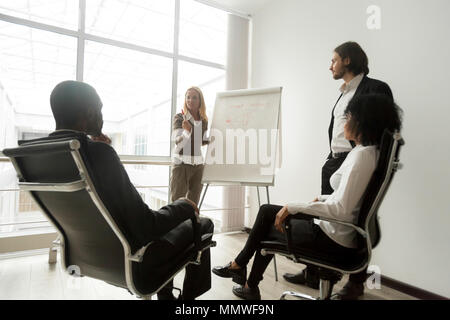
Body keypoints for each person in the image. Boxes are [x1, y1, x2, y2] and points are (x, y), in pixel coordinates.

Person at [35, 80, 214, 300]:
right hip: (135, 258)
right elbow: (148, 225)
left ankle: (166, 296)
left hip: (87, 255)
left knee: (180, 216)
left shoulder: (44, 155)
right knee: (202, 223)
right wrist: (184, 205)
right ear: (89, 113)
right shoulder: (99, 154)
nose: (101, 115)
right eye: (100, 109)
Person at [212, 94, 402, 300]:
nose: (343, 123)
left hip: (333, 240)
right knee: (269, 214)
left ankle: (242, 272)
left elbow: (341, 210)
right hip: (336, 233)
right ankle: (244, 276)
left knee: (268, 220)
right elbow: (347, 198)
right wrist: (320, 199)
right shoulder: (365, 152)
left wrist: (294, 207)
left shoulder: (362, 157)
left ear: (363, 121)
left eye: (347, 117)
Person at [283, 41, 394, 300]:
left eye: (333, 60)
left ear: (347, 60)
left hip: (358, 159)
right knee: (323, 221)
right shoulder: (343, 92)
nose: (329, 65)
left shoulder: (375, 88)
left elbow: (384, 126)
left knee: (359, 218)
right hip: (335, 160)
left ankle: (356, 284)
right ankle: (314, 272)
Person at [170, 86, 209, 205]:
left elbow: (199, 142)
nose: (190, 100)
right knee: (177, 203)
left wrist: (210, 140)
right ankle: (176, 224)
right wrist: (187, 131)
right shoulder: (180, 117)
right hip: (182, 164)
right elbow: (178, 141)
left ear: (200, 101)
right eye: (188, 97)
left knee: (193, 203)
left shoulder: (203, 120)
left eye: (194, 98)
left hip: (198, 165)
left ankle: (191, 224)